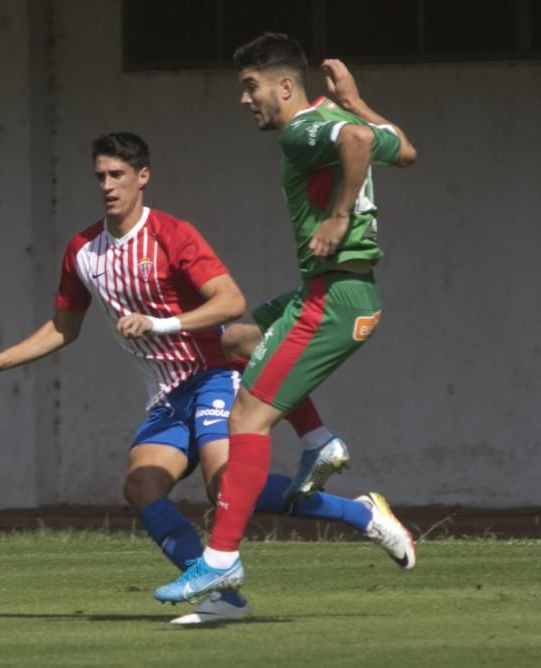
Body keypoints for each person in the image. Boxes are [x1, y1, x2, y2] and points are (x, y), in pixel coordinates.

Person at [0, 132, 414, 624]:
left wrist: (159, 324)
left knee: (227, 485)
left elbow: (231, 302)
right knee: (142, 487)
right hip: (166, 393)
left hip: (215, 374)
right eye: (100, 177)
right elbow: (62, 329)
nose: (108, 186)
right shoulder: (83, 251)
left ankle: (364, 515)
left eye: (118, 175)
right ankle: (224, 598)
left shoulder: (172, 235)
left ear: (142, 178)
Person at [154, 33, 418, 604]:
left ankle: (220, 561)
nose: (244, 99)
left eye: (251, 88)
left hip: (336, 298)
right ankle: (319, 441)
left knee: (246, 420)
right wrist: (355, 99)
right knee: (236, 340)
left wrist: (340, 215)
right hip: (326, 292)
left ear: (284, 85)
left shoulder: (303, 131)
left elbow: (352, 140)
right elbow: (400, 148)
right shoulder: (330, 114)